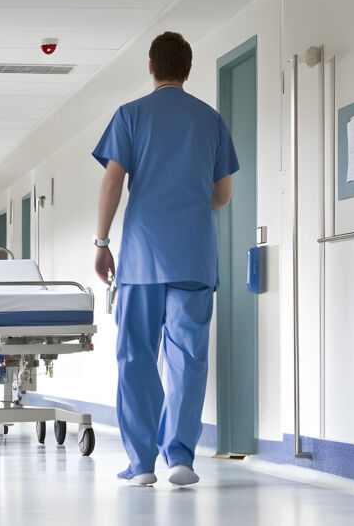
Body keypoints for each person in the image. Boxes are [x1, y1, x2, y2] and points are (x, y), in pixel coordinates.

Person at [91, 31, 238, 487]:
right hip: (193, 255)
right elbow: (222, 195)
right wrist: (188, 200)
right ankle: (180, 459)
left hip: (142, 257)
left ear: (151, 67)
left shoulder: (131, 115)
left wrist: (101, 242)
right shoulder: (211, 120)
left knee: (136, 356)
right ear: (188, 70)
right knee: (188, 359)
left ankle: (140, 465)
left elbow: (112, 182)